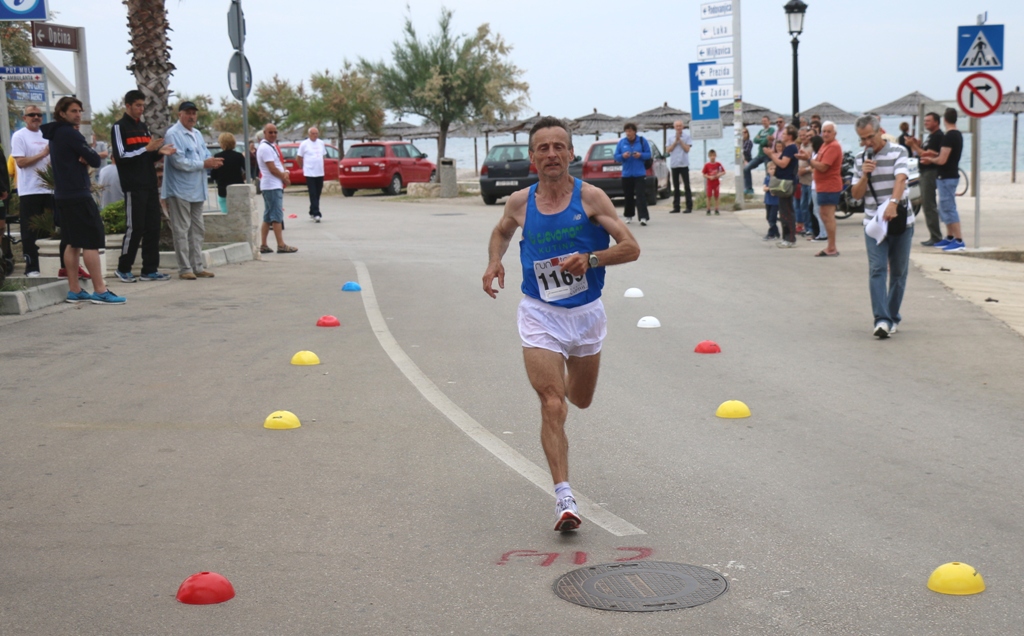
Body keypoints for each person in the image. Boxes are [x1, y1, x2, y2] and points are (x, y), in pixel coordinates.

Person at [481, 116, 640, 532]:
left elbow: (631, 247)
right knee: (553, 403)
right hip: (539, 313)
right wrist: (495, 260)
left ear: (571, 154)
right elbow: (500, 232)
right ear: (532, 157)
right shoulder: (519, 202)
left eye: (558, 147)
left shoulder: (591, 199)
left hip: (586, 316)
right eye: (543, 148)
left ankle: (564, 378)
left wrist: (590, 259)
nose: (551, 154)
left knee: (579, 399)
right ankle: (564, 498)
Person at [41, 97, 125, 304]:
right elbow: (96, 159)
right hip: (78, 194)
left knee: (71, 242)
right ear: (62, 113)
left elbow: (88, 157)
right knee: (91, 241)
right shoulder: (70, 133)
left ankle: (75, 289)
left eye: (80, 110)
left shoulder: (55, 134)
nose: (78, 114)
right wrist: (87, 154)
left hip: (62, 194)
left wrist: (85, 155)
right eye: (73, 111)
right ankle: (100, 290)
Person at [849, 114, 914, 339]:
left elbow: (901, 179)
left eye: (870, 137)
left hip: (900, 221)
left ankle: (892, 316)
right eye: (862, 139)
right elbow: (855, 195)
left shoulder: (899, 151)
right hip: (873, 224)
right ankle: (881, 319)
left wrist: (894, 203)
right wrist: (865, 175)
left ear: (880, 132)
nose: (867, 143)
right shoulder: (859, 159)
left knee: (898, 272)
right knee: (877, 269)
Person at [112, 89, 177, 283]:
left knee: (152, 227)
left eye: (143, 105)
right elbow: (121, 155)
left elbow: (146, 156)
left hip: (149, 184)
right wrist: (146, 148)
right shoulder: (119, 127)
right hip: (133, 185)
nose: (141, 109)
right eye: (137, 105)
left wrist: (159, 152)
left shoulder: (143, 127)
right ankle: (123, 268)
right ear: (128, 106)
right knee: (135, 227)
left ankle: (150, 270)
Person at [162, 100, 223, 280]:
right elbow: (178, 161)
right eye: (187, 113)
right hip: (179, 189)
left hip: (197, 188)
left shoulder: (197, 134)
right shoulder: (173, 134)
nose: (191, 116)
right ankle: (185, 268)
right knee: (181, 229)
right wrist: (203, 164)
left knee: (198, 229)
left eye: (194, 113)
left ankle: (197, 266)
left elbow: (204, 154)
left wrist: (211, 162)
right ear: (179, 114)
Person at [11, 105, 53, 277]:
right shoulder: (19, 136)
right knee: (30, 231)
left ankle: (48, 264)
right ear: (24, 118)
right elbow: (20, 162)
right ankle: (32, 267)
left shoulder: (47, 134)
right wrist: (43, 154)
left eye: (39, 115)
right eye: (32, 115)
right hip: (30, 190)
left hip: (49, 190)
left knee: (49, 229)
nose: (36, 117)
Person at [921, 108, 964, 252]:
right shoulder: (957, 135)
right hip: (948, 176)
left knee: (948, 208)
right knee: (944, 207)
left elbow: (942, 159)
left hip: (947, 176)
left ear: (944, 120)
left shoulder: (949, 136)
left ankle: (958, 240)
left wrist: (930, 160)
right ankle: (950, 237)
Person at [799, 121, 843, 256]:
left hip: (830, 186)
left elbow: (823, 166)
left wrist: (808, 160)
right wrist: (807, 159)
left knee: (828, 216)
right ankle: (830, 245)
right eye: (824, 131)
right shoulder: (825, 145)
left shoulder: (833, 146)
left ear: (835, 133)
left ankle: (832, 247)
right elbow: (816, 163)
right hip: (822, 186)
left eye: (829, 131)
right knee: (823, 214)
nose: (825, 134)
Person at [256, 123, 298, 253]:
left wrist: (285, 173)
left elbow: (278, 164)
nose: (273, 135)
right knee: (276, 216)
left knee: (268, 216)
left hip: (273, 185)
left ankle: (263, 244)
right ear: (264, 133)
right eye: (270, 132)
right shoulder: (265, 148)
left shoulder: (270, 146)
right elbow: (272, 168)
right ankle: (281, 244)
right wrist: (284, 178)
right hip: (271, 186)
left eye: (275, 132)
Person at [907, 112, 944, 246]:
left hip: (930, 172)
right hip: (924, 171)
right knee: (927, 204)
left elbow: (925, 154)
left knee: (929, 204)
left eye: (928, 121)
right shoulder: (931, 137)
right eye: (925, 121)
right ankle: (934, 235)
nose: (926, 123)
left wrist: (913, 145)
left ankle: (936, 236)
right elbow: (919, 153)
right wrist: (916, 145)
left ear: (936, 122)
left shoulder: (937, 136)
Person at [765, 126, 799, 247]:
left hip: (787, 183)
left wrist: (771, 155)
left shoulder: (791, 148)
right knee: (784, 210)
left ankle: (790, 238)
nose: (782, 135)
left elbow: (783, 164)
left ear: (790, 136)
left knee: (787, 211)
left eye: (784, 134)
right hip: (784, 182)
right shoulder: (788, 148)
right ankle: (786, 237)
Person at [614, 122, 651, 226]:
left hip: (639, 173)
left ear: (634, 131)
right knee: (628, 196)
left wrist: (640, 155)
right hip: (626, 174)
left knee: (641, 196)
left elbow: (648, 154)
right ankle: (628, 215)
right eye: (626, 131)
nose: (628, 133)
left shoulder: (642, 141)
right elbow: (616, 156)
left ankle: (643, 217)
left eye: (630, 131)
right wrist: (623, 156)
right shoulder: (622, 142)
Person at [210, 132, 246, 213]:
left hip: (223, 190)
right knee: (238, 214)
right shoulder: (239, 156)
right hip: (238, 188)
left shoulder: (218, 156)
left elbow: (213, 175)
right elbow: (246, 169)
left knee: (226, 214)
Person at [297, 127, 326, 221]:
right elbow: (298, 157)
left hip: (320, 172)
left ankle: (312, 210)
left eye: (316, 133)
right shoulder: (304, 144)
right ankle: (317, 213)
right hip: (309, 172)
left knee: (318, 193)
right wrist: (303, 167)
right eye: (313, 133)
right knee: (313, 193)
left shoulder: (321, 143)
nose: (315, 135)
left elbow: (323, 156)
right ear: (309, 134)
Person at [743, 115, 775, 194]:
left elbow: (763, 141)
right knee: (746, 168)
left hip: (767, 155)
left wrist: (760, 139)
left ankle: (768, 188)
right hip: (759, 155)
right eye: (763, 121)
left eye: (765, 121)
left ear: (769, 122)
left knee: (768, 172)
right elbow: (755, 140)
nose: (764, 122)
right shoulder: (761, 131)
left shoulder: (772, 129)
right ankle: (749, 188)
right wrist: (762, 140)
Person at [666, 120, 692, 214]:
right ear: (674, 127)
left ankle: (689, 206)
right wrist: (675, 142)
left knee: (687, 186)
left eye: (680, 126)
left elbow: (687, 149)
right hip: (674, 164)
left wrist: (680, 141)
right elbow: (668, 150)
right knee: (676, 186)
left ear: (683, 127)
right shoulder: (670, 137)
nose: (678, 127)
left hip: (684, 164)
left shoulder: (687, 136)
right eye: (677, 126)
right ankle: (676, 206)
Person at [796, 127, 813, 235]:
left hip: (811, 181)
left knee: (810, 206)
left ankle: (811, 228)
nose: (803, 138)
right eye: (801, 135)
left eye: (805, 136)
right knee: (803, 206)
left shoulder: (812, 148)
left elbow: (816, 165)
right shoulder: (802, 146)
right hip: (803, 182)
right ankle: (807, 227)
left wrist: (804, 170)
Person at [701, 149, 725, 215]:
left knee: (716, 196)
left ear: (716, 156)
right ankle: (708, 209)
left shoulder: (718, 164)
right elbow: (703, 174)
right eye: (711, 155)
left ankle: (716, 209)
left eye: (714, 155)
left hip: (716, 182)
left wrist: (718, 175)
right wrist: (709, 177)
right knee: (709, 196)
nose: (712, 157)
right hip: (710, 183)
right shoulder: (707, 165)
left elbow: (723, 171)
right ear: (709, 156)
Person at [762, 161, 780, 241]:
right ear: (767, 170)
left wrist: (771, 189)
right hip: (768, 200)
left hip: (775, 202)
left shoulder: (777, 179)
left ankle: (771, 234)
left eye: (774, 169)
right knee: (768, 217)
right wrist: (770, 189)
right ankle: (776, 231)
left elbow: (777, 189)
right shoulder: (767, 178)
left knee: (772, 218)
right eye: (770, 169)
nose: (772, 170)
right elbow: (764, 188)